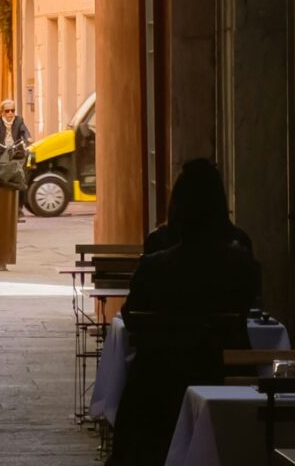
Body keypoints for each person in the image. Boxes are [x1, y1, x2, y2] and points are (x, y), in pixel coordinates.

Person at [109, 158, 258, 466]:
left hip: (157, 387)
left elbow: (132, 315)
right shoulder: (240, 262)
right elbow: (250, 304)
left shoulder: (155, 266)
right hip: (222, 376)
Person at [0, 99, 30, 191]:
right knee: (0, 169)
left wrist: (28, 138)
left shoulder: (19, 120)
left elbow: (24, 130)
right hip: (1, 149)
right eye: (7, 111)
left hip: (15, 149)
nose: (10, 113)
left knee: (20, 167)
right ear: (2, 112)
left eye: (12, 110)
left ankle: (21, 185)